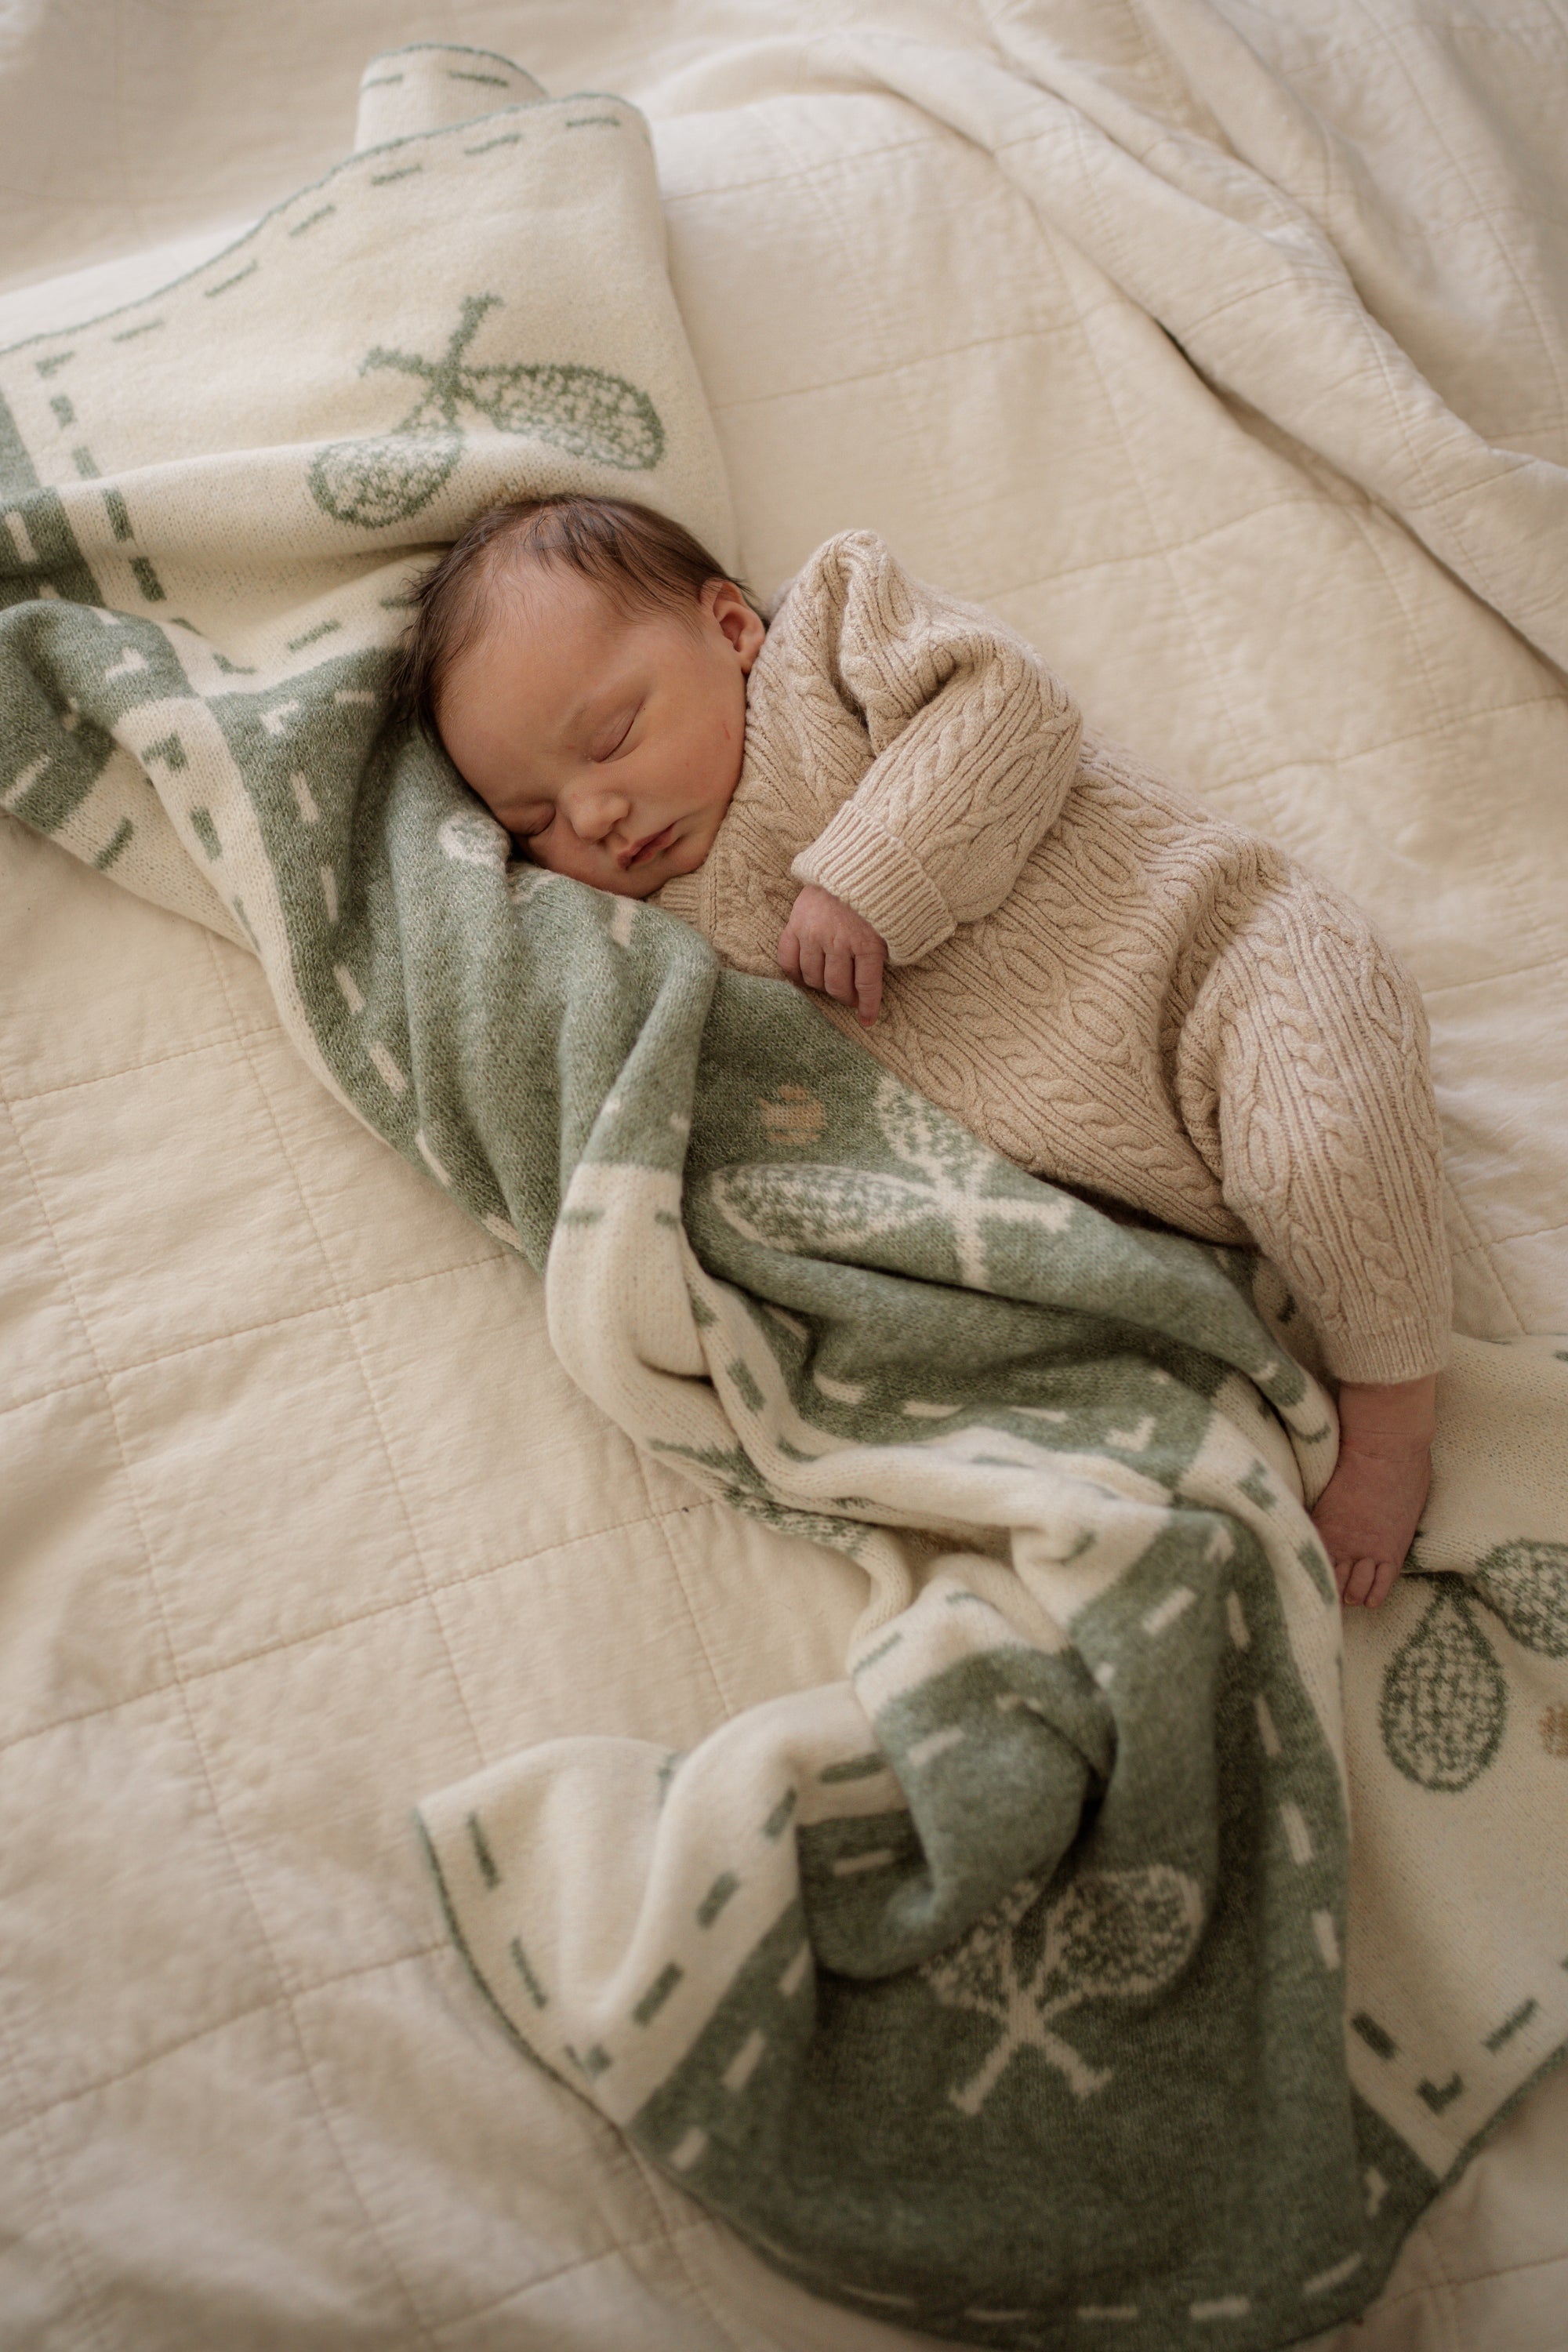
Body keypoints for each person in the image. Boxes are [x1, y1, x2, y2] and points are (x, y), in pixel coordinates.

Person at [394, 492, 1450, 1610]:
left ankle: (1393, 1418)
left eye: (609, 737)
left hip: (1223, 970)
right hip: (1110, 1176)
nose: (596, 813)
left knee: (1322, 1151)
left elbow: (1011, 706)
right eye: (536, 821)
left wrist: (871, 873)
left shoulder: (831, 641)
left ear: (731, 629)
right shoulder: (655, 928)